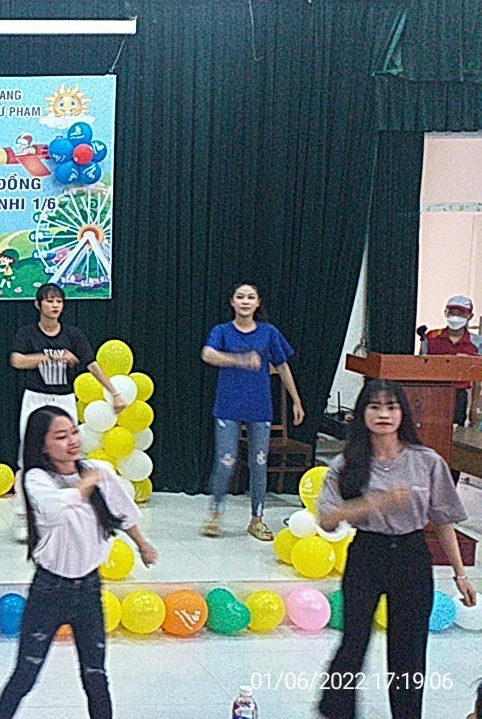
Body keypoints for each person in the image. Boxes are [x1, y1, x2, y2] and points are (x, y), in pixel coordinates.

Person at [315, 380, 476, 719]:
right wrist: (373, 503)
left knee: (409, 651)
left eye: (391, 407)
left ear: (403, 413)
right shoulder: (347, 464)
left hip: (411, 555)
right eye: (375, 407)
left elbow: (443, 519)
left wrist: (460, 574)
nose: (384, 414)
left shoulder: (426, 461)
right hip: (367, 553)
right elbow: (327, 520)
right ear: (362, 414)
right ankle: (337, 712)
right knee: (353, 642)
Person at [0, 405, 157, 719]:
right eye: (60, 436)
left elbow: (123, 511)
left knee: (96, 677)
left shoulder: (97, 470)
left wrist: (142, 545)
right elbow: (55, 509)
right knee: (25, 675)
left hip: (89, 591)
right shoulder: (36, 479)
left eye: (73, 432)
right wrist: (84, 486)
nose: (71, 441)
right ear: (42, 445)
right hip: (49, 592)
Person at [9, 283, 125, 541]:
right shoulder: (28, 333)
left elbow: (91, 364)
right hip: (36, 398)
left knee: (68, 457)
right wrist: (53, 357)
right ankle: (24, 516)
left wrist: (114, 392)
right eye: (49, 301)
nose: (55, 306)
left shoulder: (73, 334)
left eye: (59, 301)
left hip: (64, 399)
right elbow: (17, 360)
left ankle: (69, 513)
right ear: (38, 305)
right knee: (28, 456)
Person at [200, 282, 304, 540]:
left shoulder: (268, 333)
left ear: (258, 303)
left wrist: (296, 400)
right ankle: (215, 514)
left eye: (250, 297)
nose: (245, 301)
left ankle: (257, 519)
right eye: (240, 297)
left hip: (260, 409)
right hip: (227, 407)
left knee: (259, 464)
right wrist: (239, 359)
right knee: (225, 462)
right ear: (232, 302)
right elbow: (208, 354)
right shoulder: (222, 331)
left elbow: (283, 366)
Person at [418, 294, 481, 428]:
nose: (455, 317)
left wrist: (474, 407)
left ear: (470, 316)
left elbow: (477, 378)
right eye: (451, 312)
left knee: (455, 432)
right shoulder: (431, 337)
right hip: (432, 393)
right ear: (445, 313)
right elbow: (420, 368)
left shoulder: (477, 343)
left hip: (459, 395)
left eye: (461, 313)